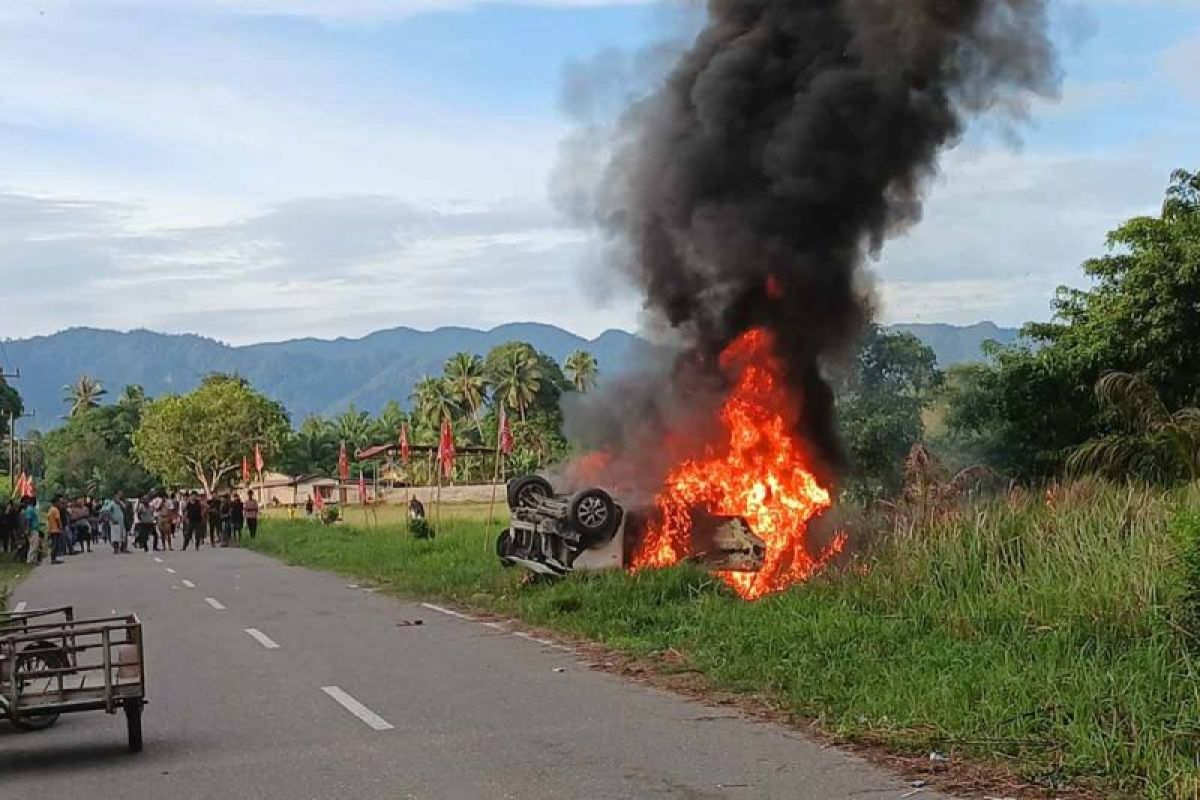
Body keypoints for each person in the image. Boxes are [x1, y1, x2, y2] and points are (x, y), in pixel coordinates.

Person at [22, 496, 42, 565]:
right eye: (35, 501)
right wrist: (27, 529)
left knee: (35, 545)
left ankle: (34, 560)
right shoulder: (30, 509)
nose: (36, 502)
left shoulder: (32, 509)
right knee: (33, 545)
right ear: (32, 501)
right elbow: (28, 520)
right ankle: (30, 560)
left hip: (35, 529)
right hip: (33, 529)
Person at [46, 494, 65, 565]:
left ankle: (53, 558)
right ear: (55, 502)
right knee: (55, 545)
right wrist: (60, 526)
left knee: (54, 544)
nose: (59, 503)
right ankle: (53, 559)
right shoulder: (55, 510)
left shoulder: (50, 509)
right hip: (55, 529)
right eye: (58, 502)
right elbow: (58, 519)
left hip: (51, 529)